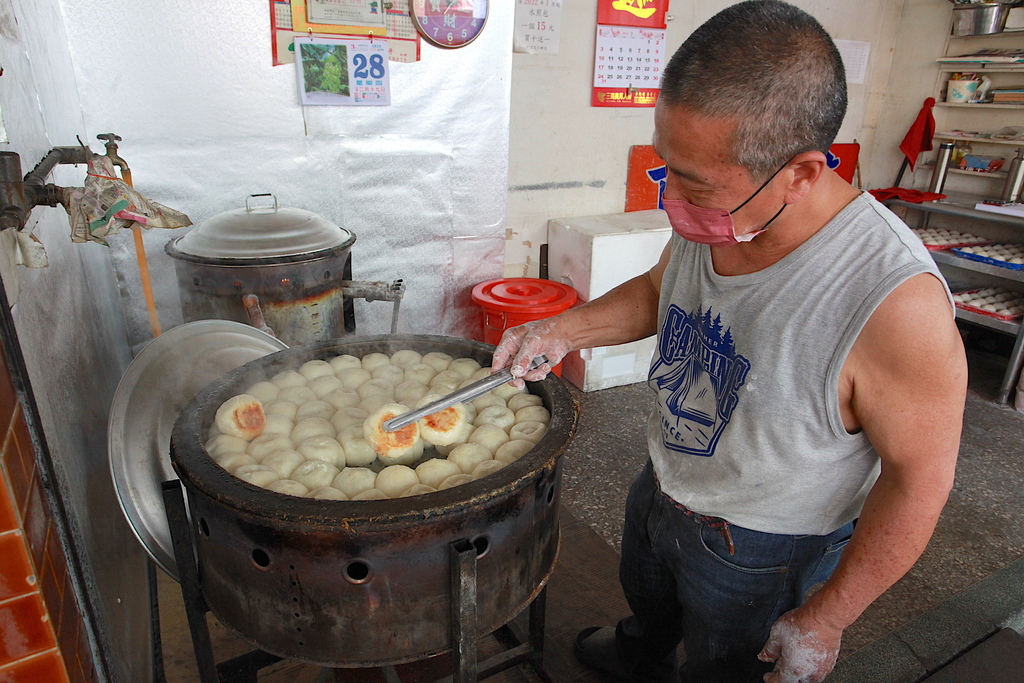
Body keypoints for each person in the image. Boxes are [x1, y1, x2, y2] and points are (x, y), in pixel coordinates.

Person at [492, 2, 967, 682]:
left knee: (723, 661)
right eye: (668, 166)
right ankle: (641, 649)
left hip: (763, 543)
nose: (671, 198)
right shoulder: (725, 217)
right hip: (666, 477)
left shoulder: (892, 301)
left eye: (696, 184)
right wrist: (564, 326)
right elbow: (662, 291)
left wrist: (829, 615)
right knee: (648, 594)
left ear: (802, 173)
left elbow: (920, 481)